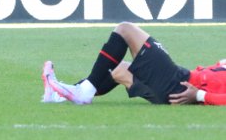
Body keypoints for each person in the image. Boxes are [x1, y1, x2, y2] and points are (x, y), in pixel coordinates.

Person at [42, 22, 226, 106]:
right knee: (118, 68)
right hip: (176, 86)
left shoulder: (196, 91)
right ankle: (59, 97)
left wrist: (199, 96)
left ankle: (83, 92)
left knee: (125, 30)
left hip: (179, 86)